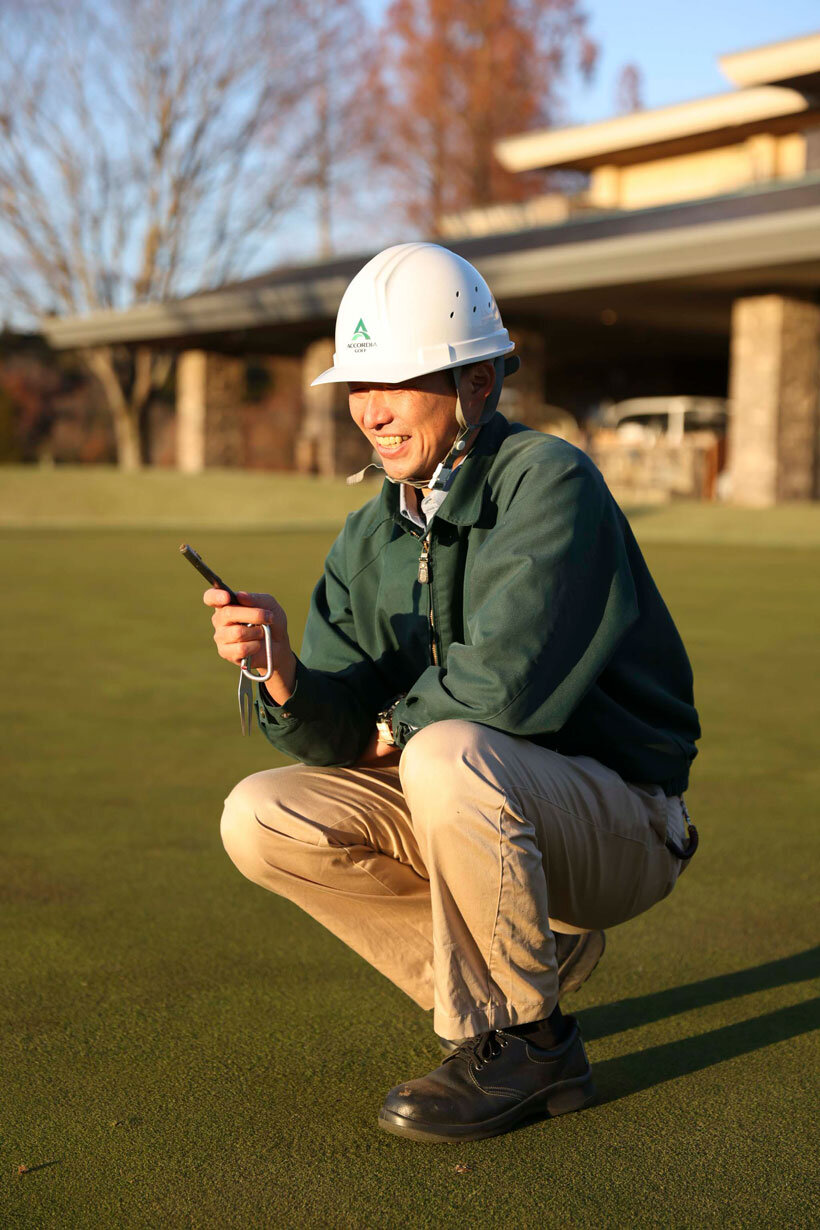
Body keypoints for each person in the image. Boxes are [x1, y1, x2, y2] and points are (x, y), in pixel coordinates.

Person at [205, 242, 700, 1144]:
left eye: (395, 379)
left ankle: (534, 1043)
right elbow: (337, 731)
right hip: (479, 802)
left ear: (476, 381)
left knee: (442, 746)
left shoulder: (550, 481)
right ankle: (524, 974)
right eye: (359, 384)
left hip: (623, 819)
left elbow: (498, 690)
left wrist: (383, 732)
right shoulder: (367, 534)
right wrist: (281, 672)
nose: (372, 410)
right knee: (260, 814)